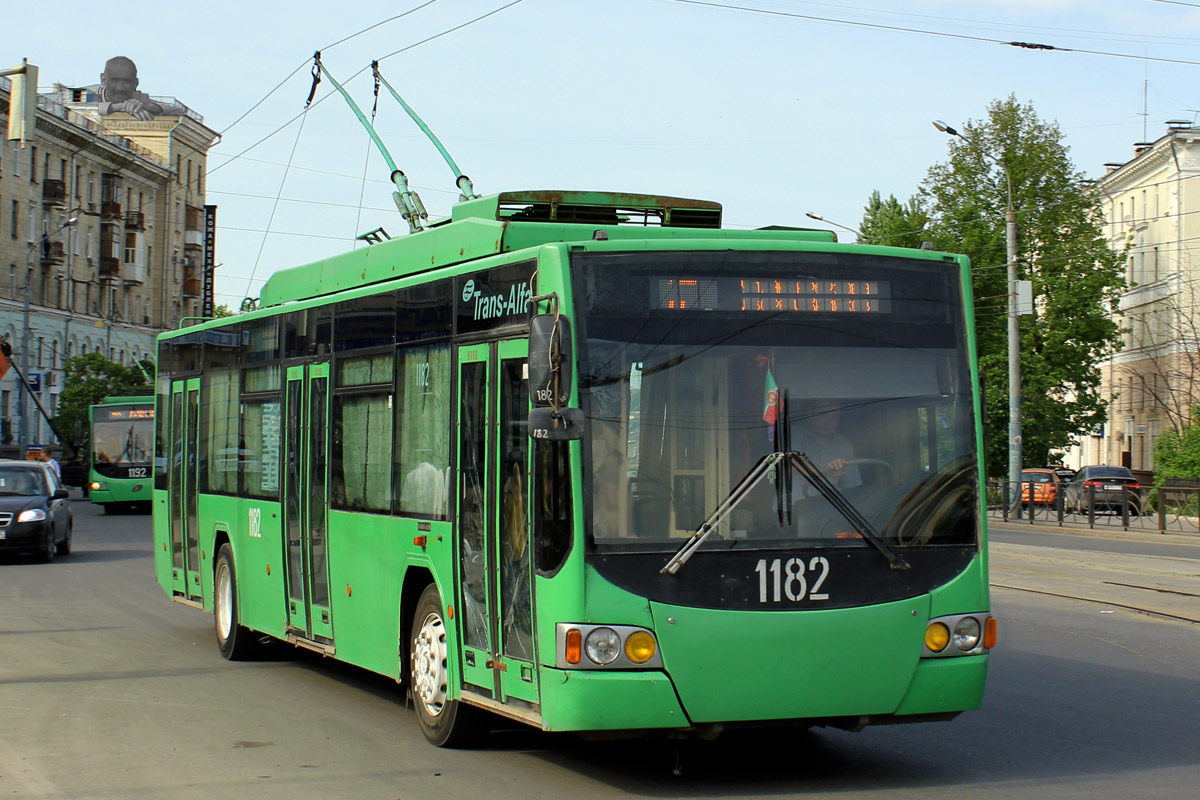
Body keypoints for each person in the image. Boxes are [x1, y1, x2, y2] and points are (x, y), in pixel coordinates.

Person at [795, 401, 861, 496]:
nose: (828, 423)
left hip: (832, 508)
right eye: (822, 416)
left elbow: (852, 489)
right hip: (792, 508)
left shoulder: (844, 445)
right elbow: (791, 462)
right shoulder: (794, 435)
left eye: (834, 417)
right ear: (810, 414)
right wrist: (825, 472)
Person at [98, 57, 185, 120]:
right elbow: (87, 108)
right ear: (103, 79)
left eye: (127, 81)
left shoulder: (139, 99)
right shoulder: (89, 96)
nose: (120, 88)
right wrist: (118, 107)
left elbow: (178, 111)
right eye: (115, 80)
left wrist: (149, 107)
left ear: (136, 83)